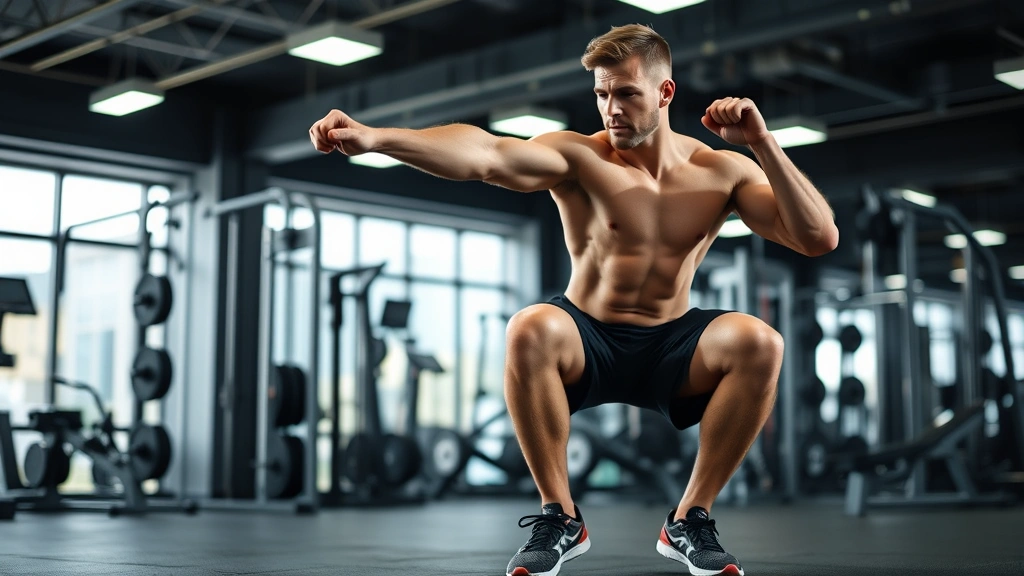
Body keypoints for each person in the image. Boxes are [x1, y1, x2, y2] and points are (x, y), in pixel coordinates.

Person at [309, 23, 838, 576]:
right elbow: (486, 154)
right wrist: (376, 138)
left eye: (627, 93)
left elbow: (817, 237)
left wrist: (762, 143)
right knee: (529, 327)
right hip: (587, 337)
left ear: (665, 92)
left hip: (672, 343)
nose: (611, 109)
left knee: (762, 342)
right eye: (602, 94)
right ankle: (560, 516)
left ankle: (690, 517)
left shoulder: (721, 170)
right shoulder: (580, 158)